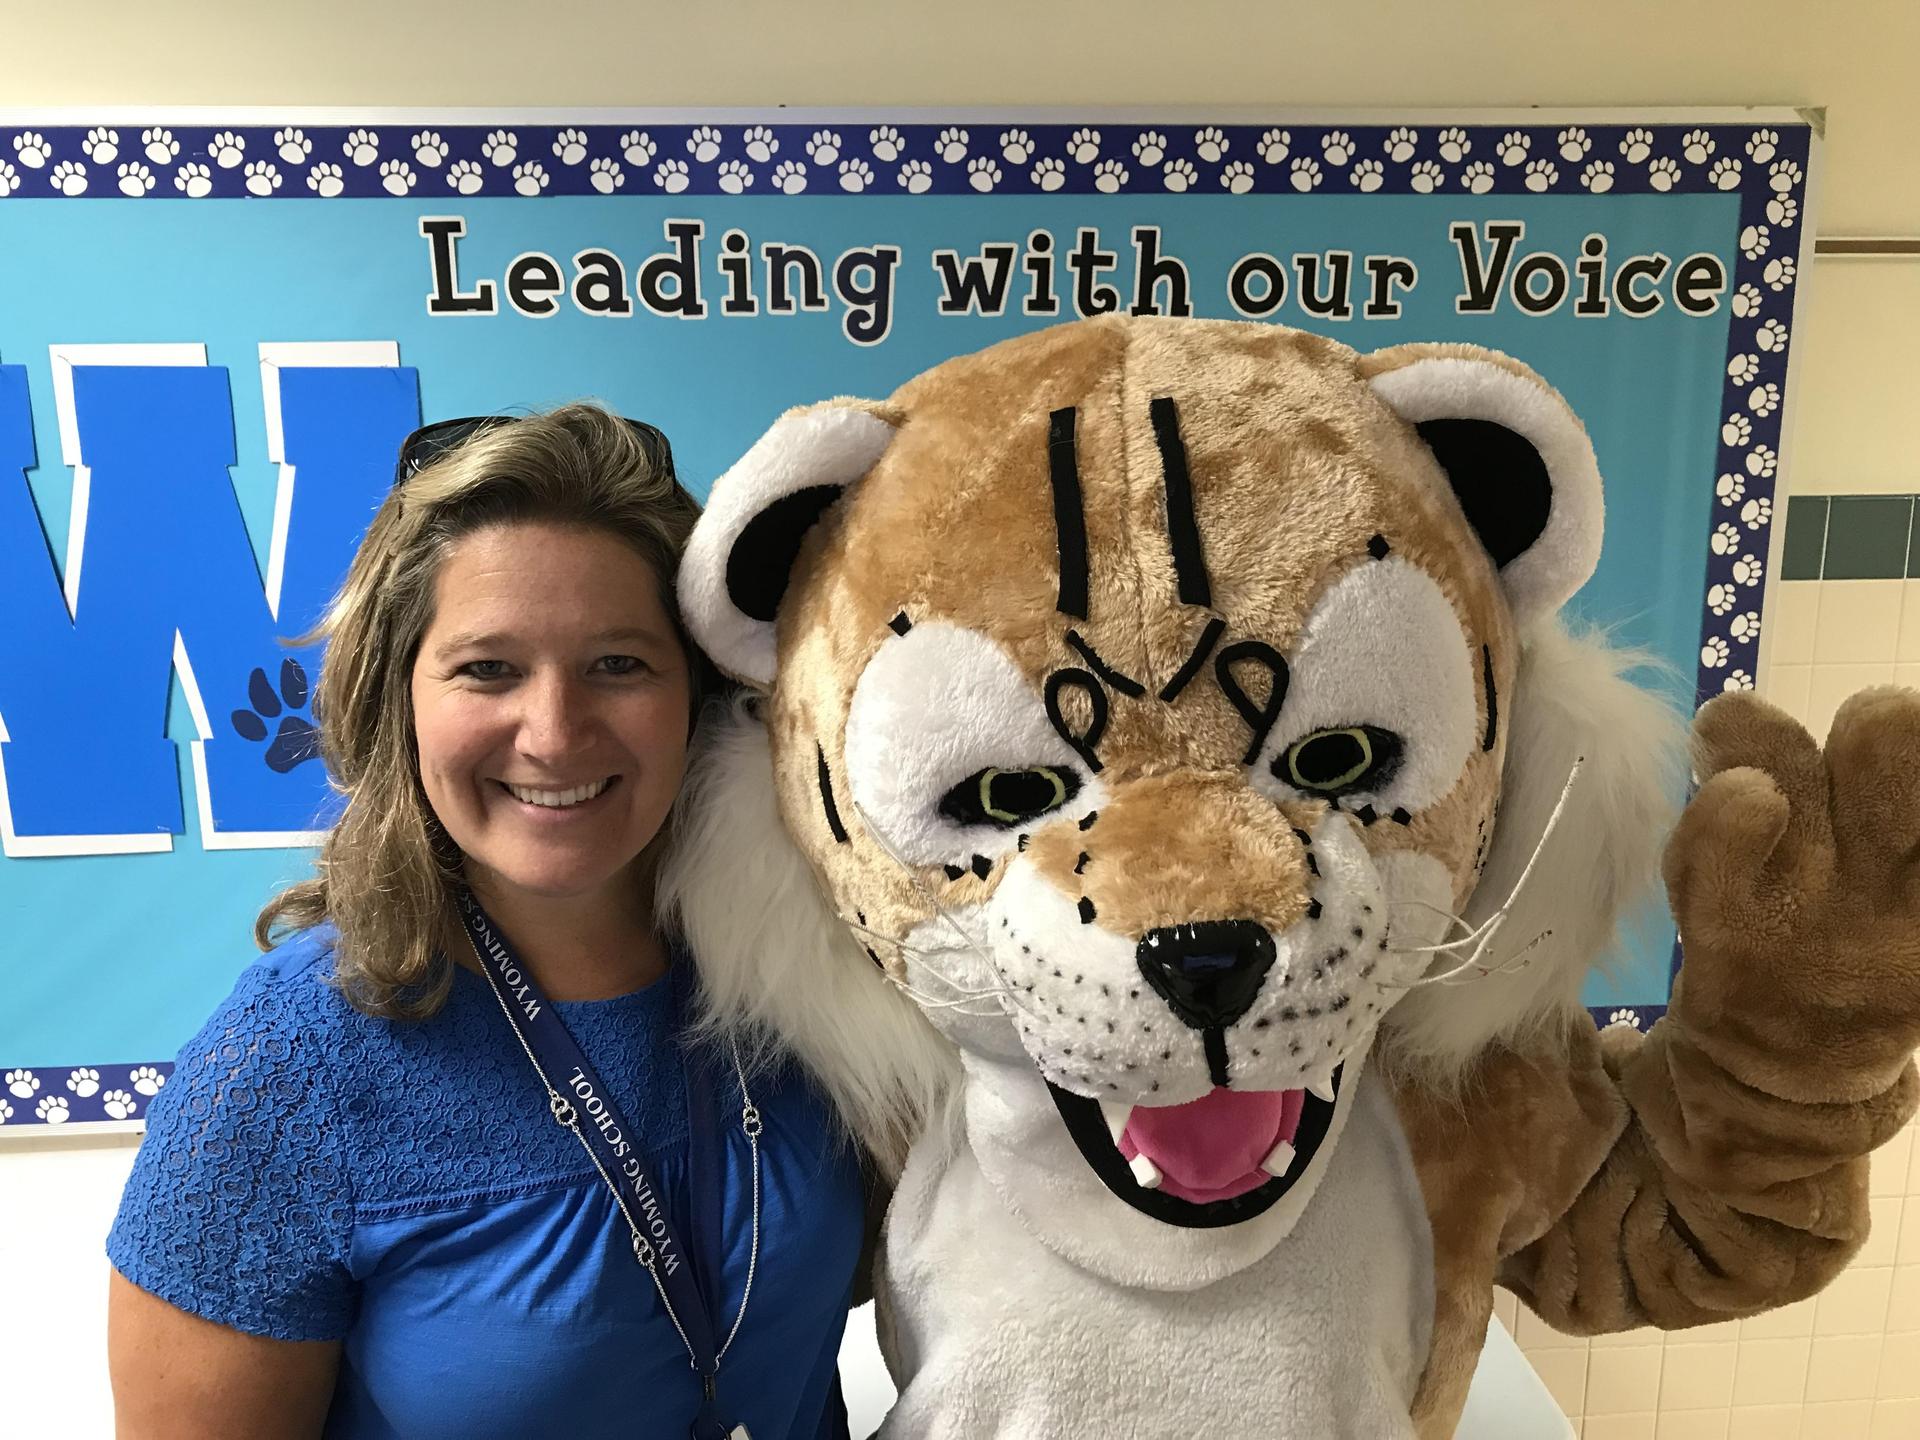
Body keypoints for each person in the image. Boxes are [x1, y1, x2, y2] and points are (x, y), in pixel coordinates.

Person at [106, 404, 864, 1439]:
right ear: (398, 694)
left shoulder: (807, 964)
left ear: (702, 688)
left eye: (619, 664)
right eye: (488, 669)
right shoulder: (286, 1071)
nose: (554, 734)